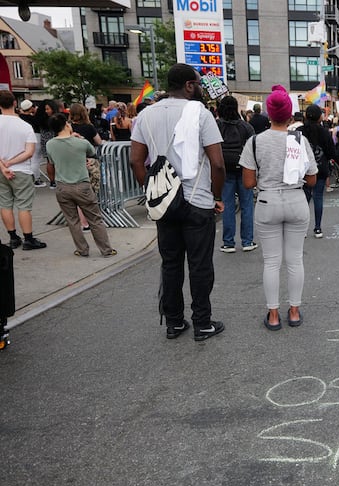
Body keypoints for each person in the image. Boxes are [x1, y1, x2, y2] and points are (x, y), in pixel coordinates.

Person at [130, 63, 226, 342]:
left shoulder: (145, 115)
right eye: (198, 83)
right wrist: (217, 196)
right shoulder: (200, 113)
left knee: (170, 263)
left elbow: (136, 160)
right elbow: (217, 163)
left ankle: (174, 322)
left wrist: (151, 190)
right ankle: (202, 323)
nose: (201, 88)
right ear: (188, 86)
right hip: (197, 199)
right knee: (200, 264)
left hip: (164, 202)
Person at [239, 85, 317, 331]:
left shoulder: (255, 142)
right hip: (296, 200)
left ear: (268, 114)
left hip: (267, 201)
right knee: (295, 260)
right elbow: (313, 178)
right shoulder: (299, 140)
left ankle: (273, 315)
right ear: (290, 114)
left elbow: (249, 182)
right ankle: (294, 311)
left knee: (271, 262)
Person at [45, 113, 116, 258]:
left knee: (72, 221)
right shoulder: (81, 143)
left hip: (62, 186)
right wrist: (79, 138)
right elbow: (91, 152)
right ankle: (106, 249)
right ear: (66, 125)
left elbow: (51, 163)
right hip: (82, 185)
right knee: (95, 219)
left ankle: (82, 249)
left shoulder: (50, 144)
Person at [0, 90, 46, 250]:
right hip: (21, 169)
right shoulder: (25, 126)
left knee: (5, 204)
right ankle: (28, 238)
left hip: (2, 170)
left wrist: (3, 166)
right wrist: (11, 162)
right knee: (23, 205)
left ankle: (13, 237)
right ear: (14, 103)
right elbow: (29, 152)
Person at [216, 95, 256, 253]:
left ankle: (228, 242)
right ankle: (247, 241)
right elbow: (254, 148)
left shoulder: (217, 125)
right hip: (244, 168)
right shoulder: (245, 126)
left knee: (227, 206)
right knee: (247, 206)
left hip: (224, 170)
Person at [299, 104, 335, 238]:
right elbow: (331, 152)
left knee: (304, 199)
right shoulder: (325, 132)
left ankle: (302, 229)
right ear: (320, 117)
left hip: (303, 169)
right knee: (318, 197)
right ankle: (318, 228)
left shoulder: (299, 131)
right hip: (320, 167)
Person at [69, 103, 104, 231]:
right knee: (90, 193)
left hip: (72, 162)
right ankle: (87, 221)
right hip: (89, 161)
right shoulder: (89, 127)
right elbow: (99, 141)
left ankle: (79, 221)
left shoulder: (68, 128)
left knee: (76, 193)